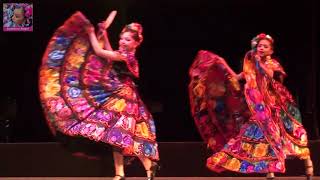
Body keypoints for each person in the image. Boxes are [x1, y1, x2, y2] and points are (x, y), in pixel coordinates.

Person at [39, 11, 159, 180]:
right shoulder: (124, 55)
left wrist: (90, 33)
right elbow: (110, 55)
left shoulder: (126, 56)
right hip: (122, 96)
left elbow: (100, 51)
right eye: (122, 38)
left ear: (136, 43)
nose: (123, 41)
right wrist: (105, 34)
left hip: (125, 100)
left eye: (127, 39)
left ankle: (138, 168)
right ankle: (131, 171)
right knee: (117, 136)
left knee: (120, 135)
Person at [188, 33, 313, 179]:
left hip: (276, 107)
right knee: (264, 136)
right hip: (259, 108)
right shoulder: (251, 65)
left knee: (291, 135)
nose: (261, 48)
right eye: (259, 46)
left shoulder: (272, 64)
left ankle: (308, 164)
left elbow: (270, 75)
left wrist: (259, 63)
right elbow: (235, 77)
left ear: (271, 51)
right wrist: (221, 63)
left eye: (265, 46)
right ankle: (270, 170)